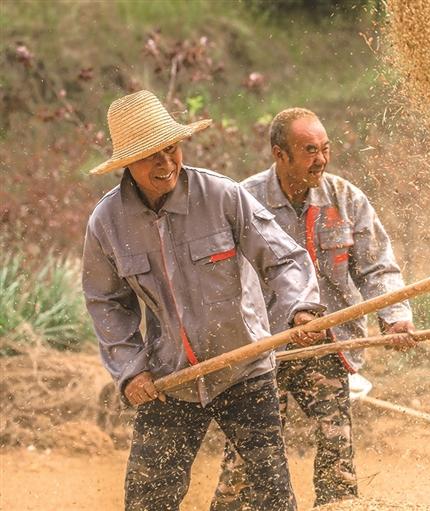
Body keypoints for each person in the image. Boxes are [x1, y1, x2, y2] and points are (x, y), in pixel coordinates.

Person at [82, 90, 326, 511]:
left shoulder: (221, 195)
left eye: (171, 149)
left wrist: (300, 307)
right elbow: (106, 303)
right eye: (151, 156)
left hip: (243, 368)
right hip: (167, 379)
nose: (166, 164)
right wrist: (130, 370)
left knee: (272, 496)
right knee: (147, 501)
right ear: (127, 164)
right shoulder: (107, 222)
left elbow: (283, 259)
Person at [211, 108, 415, 508]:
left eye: (325, 149)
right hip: (264, 350)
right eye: (308, 150)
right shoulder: (242, 201)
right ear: (279, 154)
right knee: (247, 457)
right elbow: (219, 280)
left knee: (337, 446)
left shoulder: (346, 200)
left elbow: (377, 266)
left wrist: (395, 318)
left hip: (328, 347)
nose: (320, 159)